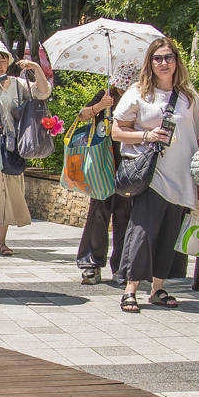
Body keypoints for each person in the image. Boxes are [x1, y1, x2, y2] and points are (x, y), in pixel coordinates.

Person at [111, 37, 199, 312]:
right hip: (152, 174)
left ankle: (158, 288)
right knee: (142, 231)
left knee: (169, 233)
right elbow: (117, 131)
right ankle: (131, 288)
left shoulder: (189, 97)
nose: (164, 63)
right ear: (150, 62)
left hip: (181, 175)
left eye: (169, 58)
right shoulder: (139, 92)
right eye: (158, 58)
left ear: (177, 62)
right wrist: (146, 135)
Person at [75, 61, 139, 285]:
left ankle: (122, 267)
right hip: (103, 163)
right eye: (121, 85)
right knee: (98, 214)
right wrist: (100, 106)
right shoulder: (106, 95)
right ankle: (91, 264)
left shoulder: (142, 98)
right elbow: (81, 116)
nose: (122, 90)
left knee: (126, 216)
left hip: (130, 164)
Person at [0, 41, 51, 257]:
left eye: (2, 58)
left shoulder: (16, 83)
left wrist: (37, 69)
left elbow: (42, 93)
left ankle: (0, 242)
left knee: (6, 193)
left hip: (11, 146)